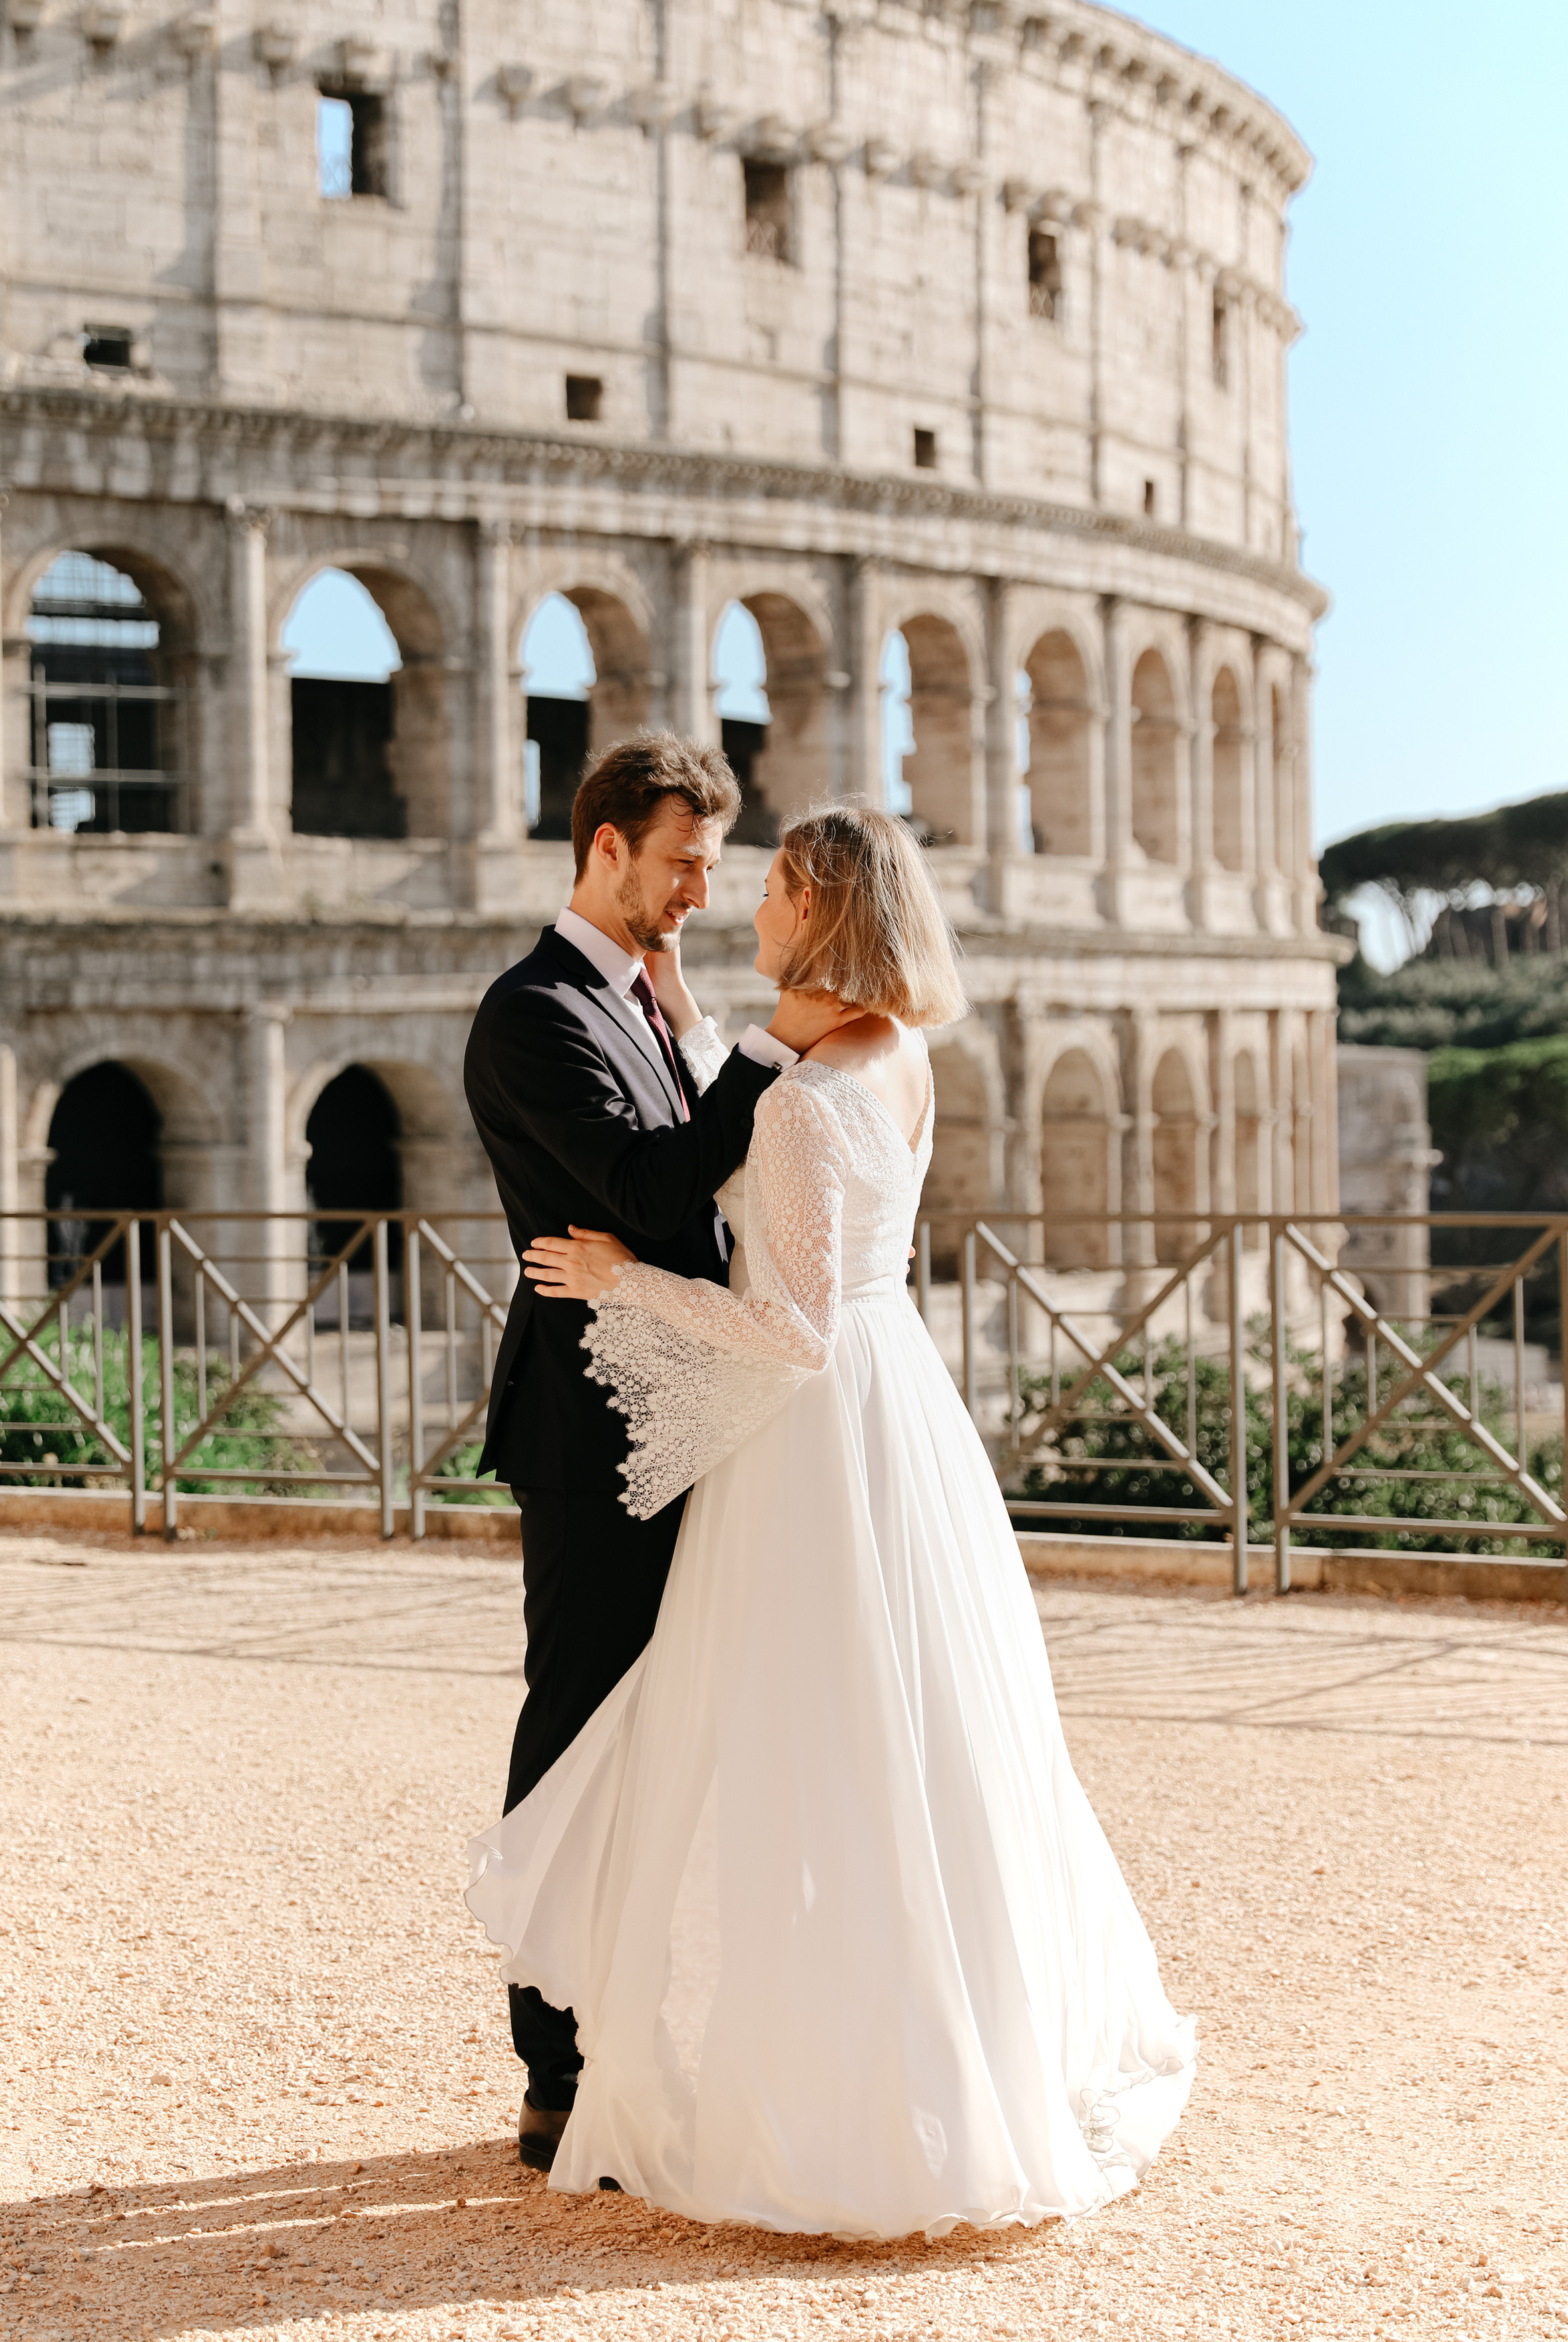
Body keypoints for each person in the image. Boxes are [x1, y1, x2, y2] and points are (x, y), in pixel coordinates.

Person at [468, 802, 1195, 2240]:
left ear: (820, 912)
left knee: (790, 1741)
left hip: (813, 1426)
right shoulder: (889, 1051)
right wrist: (700, 1032)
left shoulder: (800, 1103)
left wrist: (616, 1279)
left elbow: (785, 1331)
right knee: (912, 1740)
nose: (744, 913)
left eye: (773, 893)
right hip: (897, 1409)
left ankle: (805, 2078)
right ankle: (943, 2048)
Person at [462, 732, 845, 2172]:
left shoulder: (634, 996)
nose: (699, 887)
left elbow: (672, 1203)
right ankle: (554, 2066)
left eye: (711, 865)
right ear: (604, 843)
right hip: (592, 1432)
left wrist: (692, 1037)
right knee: (578, 1729)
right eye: (681, 859)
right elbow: (642, 1186)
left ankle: (639, 2026)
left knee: (670, 1730)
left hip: (690, 1404)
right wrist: (759, 1047)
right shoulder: (531, 1013)